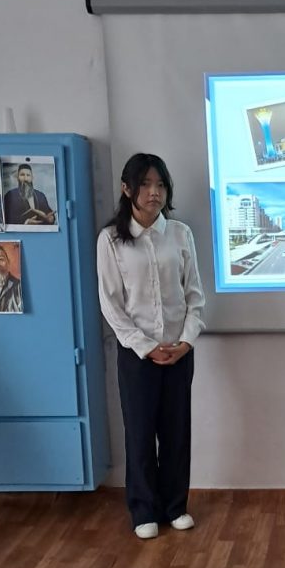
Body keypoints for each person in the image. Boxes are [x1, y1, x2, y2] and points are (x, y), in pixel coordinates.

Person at [97, 153, 205, 540]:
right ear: (127, 189)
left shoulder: (180, 234)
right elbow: (111, 305)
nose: (153, 192)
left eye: (160, 185)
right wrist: (145, 347)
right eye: (144, 184)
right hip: (137, 356)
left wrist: (185, 342)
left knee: (176, 433)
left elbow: (194, 297)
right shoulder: (111, 239)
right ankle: (143, 510)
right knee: (140, 434)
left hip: (179, 352)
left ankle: (176, 506)